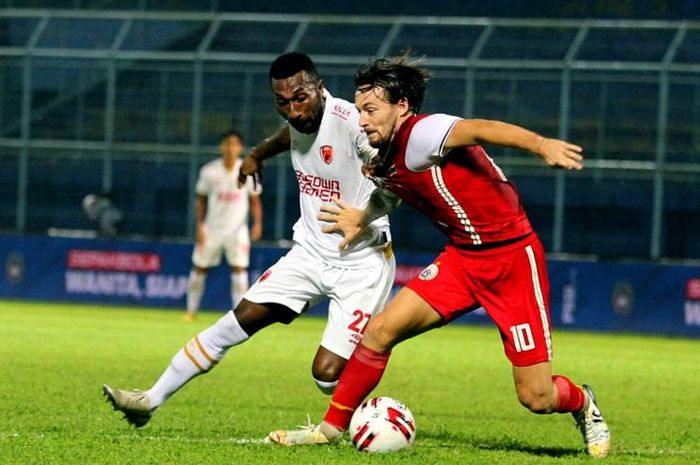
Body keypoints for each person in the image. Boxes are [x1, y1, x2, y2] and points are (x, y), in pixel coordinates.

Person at [268, 56, 611, 459]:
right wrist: (363, 215)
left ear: (402, 107)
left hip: (512, 262)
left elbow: (480, 129)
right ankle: (329, 430)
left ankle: (583, 403)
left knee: (536, 396)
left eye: (371, 110)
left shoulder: (425, 132)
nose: (361, 120)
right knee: (379, 332)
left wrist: (541, 145)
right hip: (462, 261)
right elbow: (393, 188)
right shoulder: (385, 153)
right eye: (360, 110)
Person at [102, 52, 398, 428]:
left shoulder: (353, 123)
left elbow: (397, 181)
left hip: (362, 262)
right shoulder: (298, 121)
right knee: (235, 321)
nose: (292, 110)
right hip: (309, 253)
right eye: (282, 102)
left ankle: (378, 416)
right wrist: (257, 154)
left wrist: (364, 213)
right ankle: (148, 400)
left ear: (320, 89)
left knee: (326, 377)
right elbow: (289, 134)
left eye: (300, 98)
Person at [185, 129, 263, 321]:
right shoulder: (209, 171)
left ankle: (239, 316)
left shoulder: (248, 169)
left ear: (240, 148)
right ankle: (190, 311)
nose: (230, 148)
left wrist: (257, 224)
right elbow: (201, 201)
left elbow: (255, 201)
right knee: (199, 267)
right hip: (212, 229)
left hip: (237, 231)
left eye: (234, 144)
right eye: (227, 144)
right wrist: (200, 227)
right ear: (222, 146)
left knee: (239, 269)